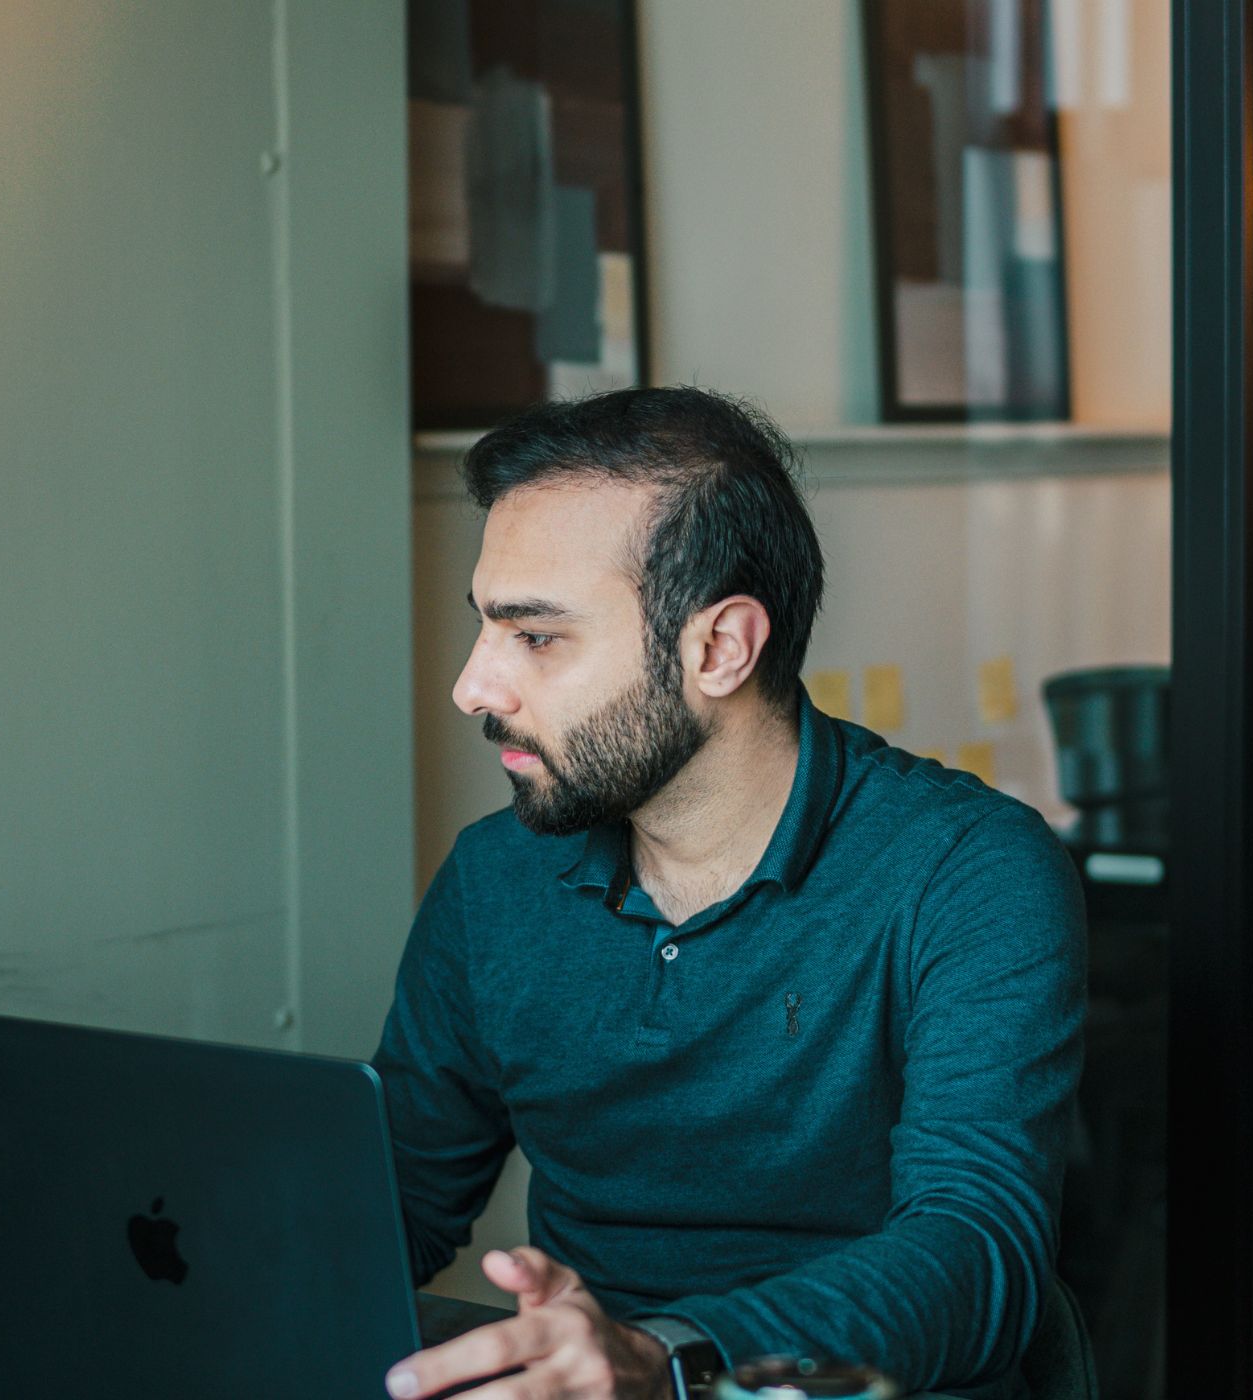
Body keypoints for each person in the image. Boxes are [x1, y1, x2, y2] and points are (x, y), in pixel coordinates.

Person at [375, 387, 1085, 1400]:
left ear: (718, 648)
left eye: (534, 637)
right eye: (486, 626)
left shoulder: (966, 869)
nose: (474, 686)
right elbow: (393, 1196)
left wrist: (662, 1356)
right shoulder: (496, 877)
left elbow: (977, 1251)